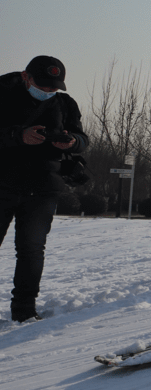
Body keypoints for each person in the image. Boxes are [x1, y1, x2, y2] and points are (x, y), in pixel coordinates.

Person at [0, 56, 89, 322]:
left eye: (54, 87)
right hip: (2, 182)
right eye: (44, 86)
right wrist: (18, 135)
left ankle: (25, 310)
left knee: (31, 249)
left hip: (43, 186)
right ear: (26, 77)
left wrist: (72, 142)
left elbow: (83, 138)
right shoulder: (3, 94)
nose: (49, 92)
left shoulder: (64, 103)